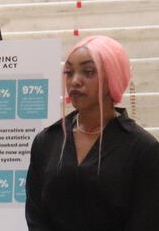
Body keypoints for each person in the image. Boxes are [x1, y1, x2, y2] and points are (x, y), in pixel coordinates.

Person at [25, 35, 159, 231]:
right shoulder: (46, 141)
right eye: (69, 72)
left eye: (88, 72)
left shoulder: (143, 149)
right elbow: (36, 216)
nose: (75, 81)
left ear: (112, 78)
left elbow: (146, 220)